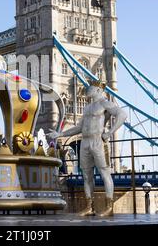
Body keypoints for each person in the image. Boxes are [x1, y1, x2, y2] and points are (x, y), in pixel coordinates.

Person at [50, 80, 127, 216]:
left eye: (90, 87)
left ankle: (109, 206)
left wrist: (109, 132)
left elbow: (122, 115)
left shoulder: (104, 103)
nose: (87, 89)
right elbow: (79, 128)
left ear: (98, 90)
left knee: (104, 173)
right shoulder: (87, 108)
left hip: (98, 141)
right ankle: (89, 207)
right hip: (85, 142)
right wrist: (60, 134)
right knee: (86, 176)